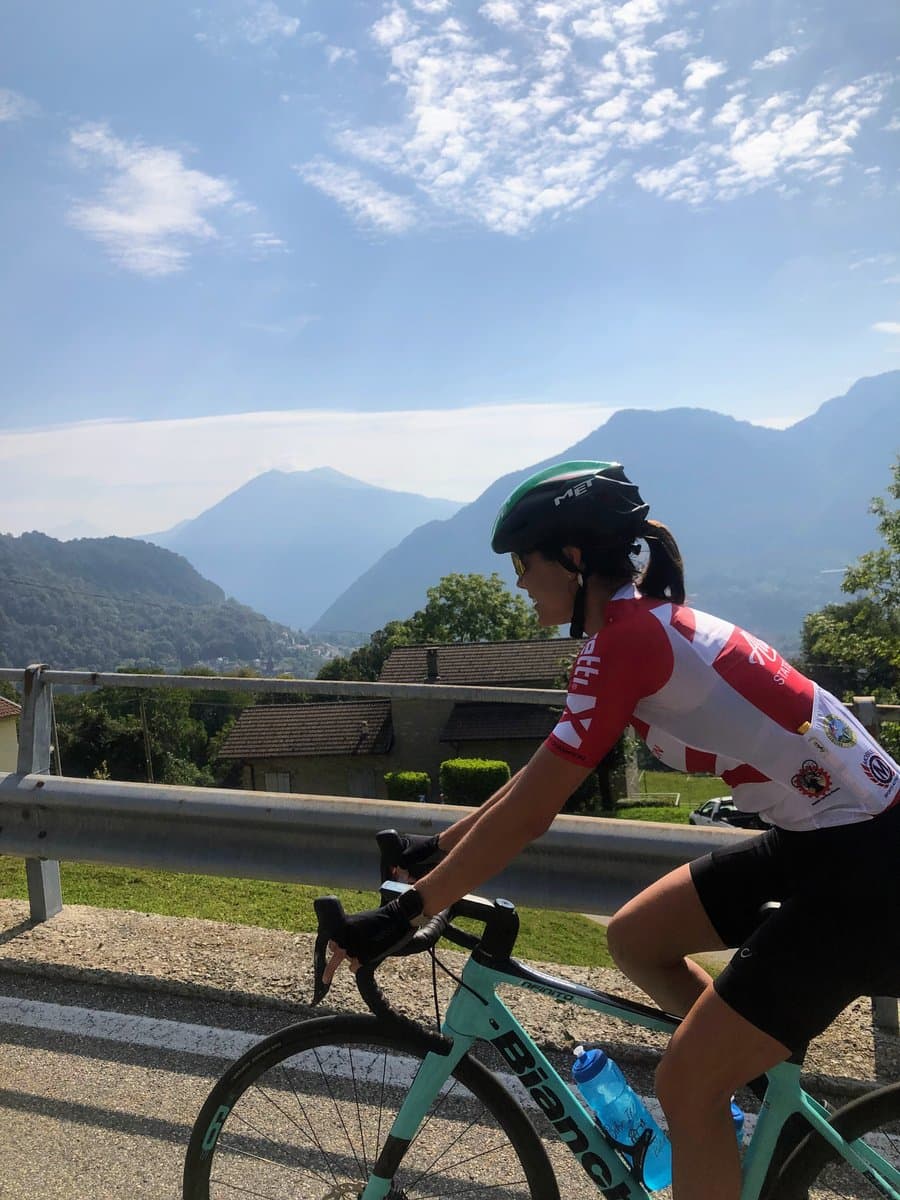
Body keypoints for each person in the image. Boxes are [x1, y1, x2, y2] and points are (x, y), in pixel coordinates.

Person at [323, 460, 900, 1200]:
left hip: (865, 865)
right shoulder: (639, 626)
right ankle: (759, 1098)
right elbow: (538, 781)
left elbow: (534, 815)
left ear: (571, 559)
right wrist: (438, 848)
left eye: (524, 564)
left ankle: (718, 1098)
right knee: (637, 938)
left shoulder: (626, 640)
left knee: (685, 1083)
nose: (518, 582)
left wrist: (409, 908)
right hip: (831, 837)